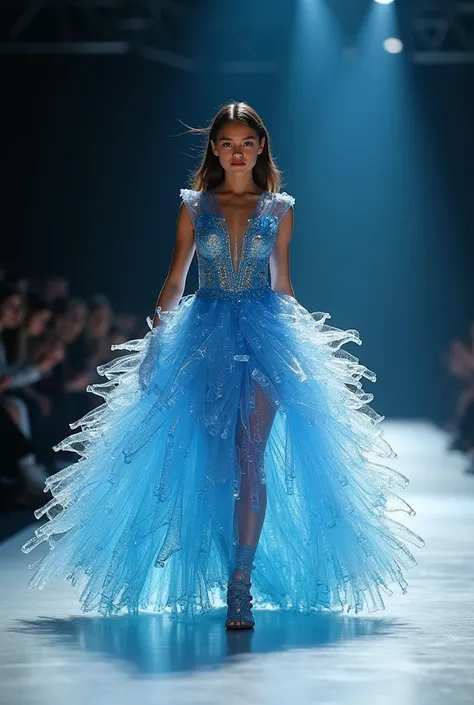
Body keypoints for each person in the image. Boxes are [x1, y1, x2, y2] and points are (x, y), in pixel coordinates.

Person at [22, 102, 424, 629]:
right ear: (214, 148)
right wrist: (156, 342)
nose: (237, 152)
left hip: (266, 334)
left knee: (249, 453)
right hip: (203, 335)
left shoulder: (279, 208)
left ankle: (242, 581)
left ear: (261, 148)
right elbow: (176, 278)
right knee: (211, 461)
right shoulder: (195, 206)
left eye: (247, 143)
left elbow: (283, 284)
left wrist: (305, 346)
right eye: (227, 143)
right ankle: (218, 565)